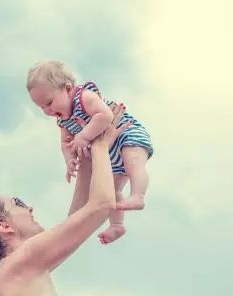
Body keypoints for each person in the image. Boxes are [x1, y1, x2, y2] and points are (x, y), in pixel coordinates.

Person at [0, 104, 131, 296]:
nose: (29, 208)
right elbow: (102, 205)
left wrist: (85, 153)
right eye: (18, 203)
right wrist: (101, 144)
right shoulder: (21, 262)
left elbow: (77, 219)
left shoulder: (17, 268)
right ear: (4, 225)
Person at [27, 60, 153, 244]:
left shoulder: (84, 97)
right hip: (109, 154)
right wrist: (69, 160)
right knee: (112, 190)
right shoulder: (63, 121)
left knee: (133, 162)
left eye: (49, 102)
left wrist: (84, 136)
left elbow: (105, 115)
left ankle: (138, 195)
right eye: (42, 108)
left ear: (68, 89)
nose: (48, 110)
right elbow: (66, 143)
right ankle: (117, 225)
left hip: (126, 135)